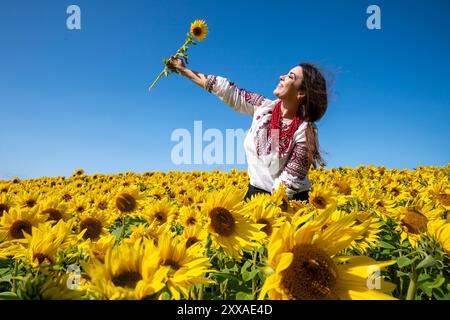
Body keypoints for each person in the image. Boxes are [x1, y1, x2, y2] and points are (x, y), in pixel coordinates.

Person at [167, 57, 328, 202]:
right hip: (255, 195)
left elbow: (289, 182)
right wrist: (184, 70)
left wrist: (269, 213)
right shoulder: (264, 108)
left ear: (301, 93)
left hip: (290, 203)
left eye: (290, 76)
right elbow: (226, 90)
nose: (282, 76)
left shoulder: (305, 130)